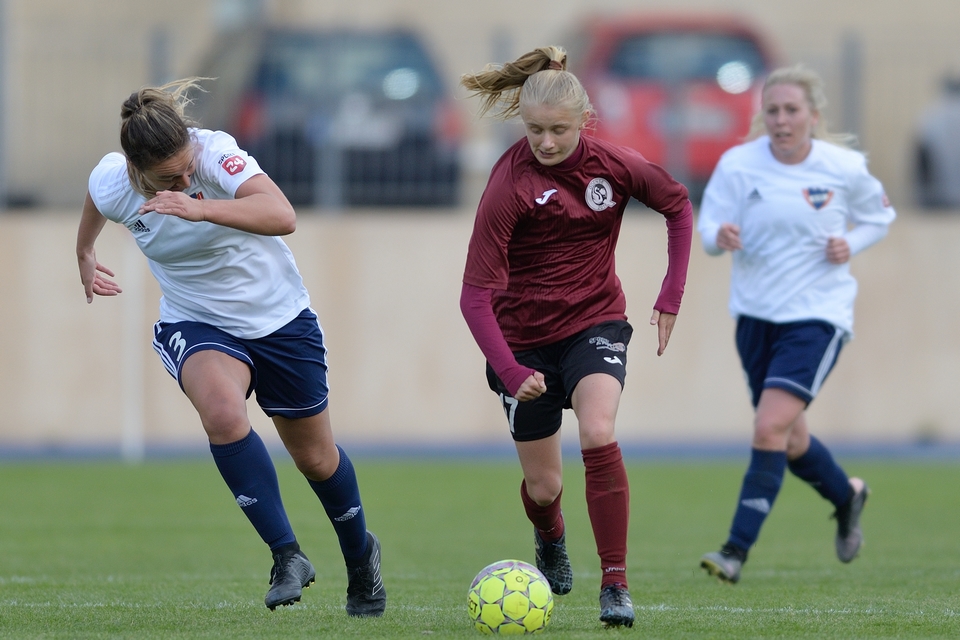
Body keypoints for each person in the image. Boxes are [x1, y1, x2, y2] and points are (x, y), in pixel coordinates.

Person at [75, 78, 386, 616]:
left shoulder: (214, 153)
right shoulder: (115, 182)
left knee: (315, 458)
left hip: (279, 319)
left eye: (186, 168)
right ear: (138, 172)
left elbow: (282, 215)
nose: (185, 179)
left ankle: (361, 556)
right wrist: (83, 250)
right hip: (196, 320)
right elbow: (95, 200)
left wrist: (199, 208)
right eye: (169, 178)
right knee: (222, 412)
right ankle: (286, 555)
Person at [459, 46, 693, 628]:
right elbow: (474, 297)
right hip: (523, 343)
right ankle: (550, 535)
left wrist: (670, 294)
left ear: (584, 121)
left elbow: (677, 205)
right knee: (543, 488)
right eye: (534, 130)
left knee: (597, 430)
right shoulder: (508, 185)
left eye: (558, 130)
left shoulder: (613, 165)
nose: (545, 142)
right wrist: (511, 371)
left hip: (594, 322)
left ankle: (615, 583)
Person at [696, 64, 895, 584]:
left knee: (769, 426)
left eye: (791, 110)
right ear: (762, 115)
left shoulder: (843, 167)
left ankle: (734, 550)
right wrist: (721, 236)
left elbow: (879, 217)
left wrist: (850, 242)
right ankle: (847, 497)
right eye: (773, 111)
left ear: (813, 115)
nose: (781, 120)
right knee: (789, 438)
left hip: (816, 316)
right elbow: (708, 230)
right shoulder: (739, 164)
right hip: (754, 317)